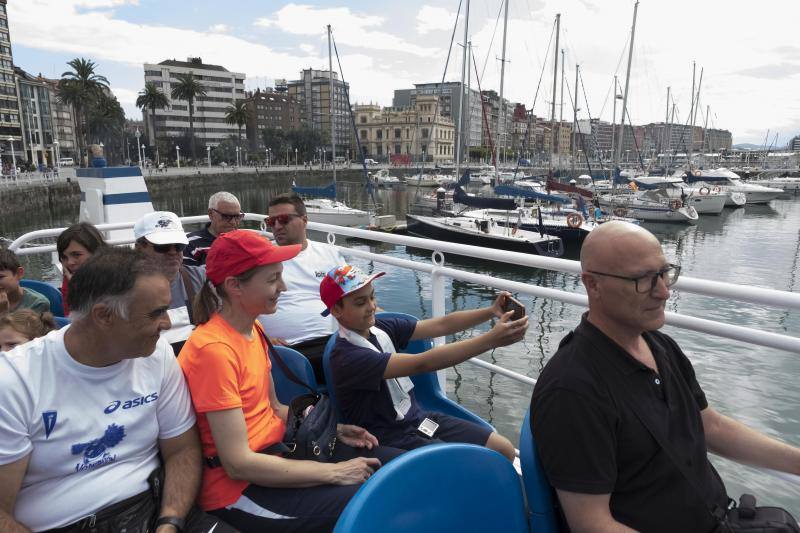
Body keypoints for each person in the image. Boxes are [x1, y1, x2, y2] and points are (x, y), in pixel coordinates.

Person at [530, 221, 800, 532]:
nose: (664, 292)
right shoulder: (572, 390)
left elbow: (710, 425)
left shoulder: (659, 345)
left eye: (664, 273)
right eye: (643, 279)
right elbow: (592, 524)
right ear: (593, 285)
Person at [178, 230, 403, 533]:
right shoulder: (213, 351)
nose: (283, 287)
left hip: (280, 452)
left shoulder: (251, 328)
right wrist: (333, 473)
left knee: (401, 470)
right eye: (272, 280)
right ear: (234, 286)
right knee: (383, 502)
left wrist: (332, 431)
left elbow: (274, 407)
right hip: (238, 490)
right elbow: (237, 463)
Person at [0, 247, 233, 533]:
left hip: (152, 508)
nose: (167, 324)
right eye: (156, 313)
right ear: (104, 316)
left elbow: (182, 449)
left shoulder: (157, 355)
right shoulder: (13, 381)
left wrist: (170, 521)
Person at [322, 264, 527, 461]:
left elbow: (440, 325)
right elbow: (422, 364)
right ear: (336, 311)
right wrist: (490, 340)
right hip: (389, 438)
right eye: (360, 303)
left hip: (419, 420)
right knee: (465, 465)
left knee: (503, 449)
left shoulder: (380, 327)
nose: (372, 307)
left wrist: (491, 311)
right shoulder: (346, 358)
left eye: (372, 297)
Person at [258, 194, 345, 384]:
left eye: (284, 219)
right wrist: (260, 338)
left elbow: (351, 294)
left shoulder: (329, 254)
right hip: (285, 350)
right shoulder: (260, 259)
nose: (277, 226)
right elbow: (239, 307)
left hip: (333, 341)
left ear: (304, 220)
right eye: (271, 221)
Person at [134, 211, 205, 353]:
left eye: (179, 246)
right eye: (163, 246)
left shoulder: (200, 277)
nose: (173, 252)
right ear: (139, 248)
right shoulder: (122, 289)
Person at [56, 222, 107, 315]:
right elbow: (69, 316)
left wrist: (79, 288)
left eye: (76, 255)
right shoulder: (71, 276)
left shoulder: (114, 279)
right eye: (64, 257)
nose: (69, 262)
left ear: (96, 252)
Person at [184, 192, 244, 267]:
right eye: (226, 216)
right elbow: (189, 277)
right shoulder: (190, 244)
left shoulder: (244, 241)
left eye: (237, 217)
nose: (233, 222)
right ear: (211, 214)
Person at [0, 248, 49, 316]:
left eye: (0, 277)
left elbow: (22, 327)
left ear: (19, 274)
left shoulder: (38, 303)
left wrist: (3, 313)